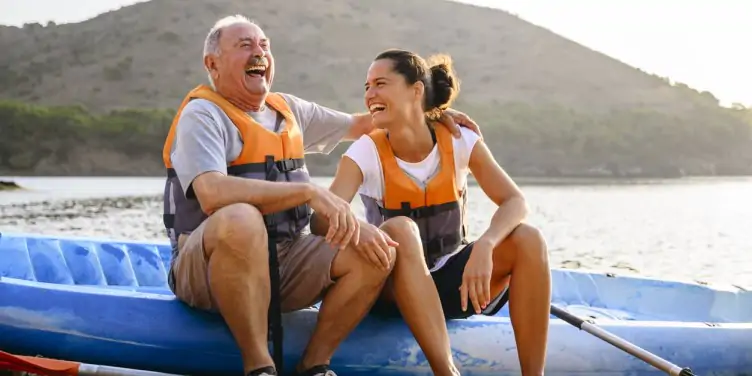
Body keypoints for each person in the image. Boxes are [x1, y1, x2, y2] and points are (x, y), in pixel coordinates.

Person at [160, 15, 481, 376]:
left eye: (264, 44)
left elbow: (366, 124)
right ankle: (258, 365)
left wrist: (424, 112)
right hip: (206, 268)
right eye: (244, 45)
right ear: (212, 64)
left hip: (285, 259)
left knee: (375, 250)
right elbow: (212, 193)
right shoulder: (202, 115)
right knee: (241, 218)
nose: (259, 52)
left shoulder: (289, 110)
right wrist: (309, 192)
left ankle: (314, 364)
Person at [313, 49, 552, 376]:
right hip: (390, 292)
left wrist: (486, 244)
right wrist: (358, 228)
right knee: (399, 229)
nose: (370, 94)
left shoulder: (458, 138)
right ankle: (446, 371)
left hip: (453, 287)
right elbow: (320, 219)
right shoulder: (365, 151)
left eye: (380, 83)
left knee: (528, 238)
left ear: (416, 90)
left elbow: (515, 201)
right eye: (367, 86)